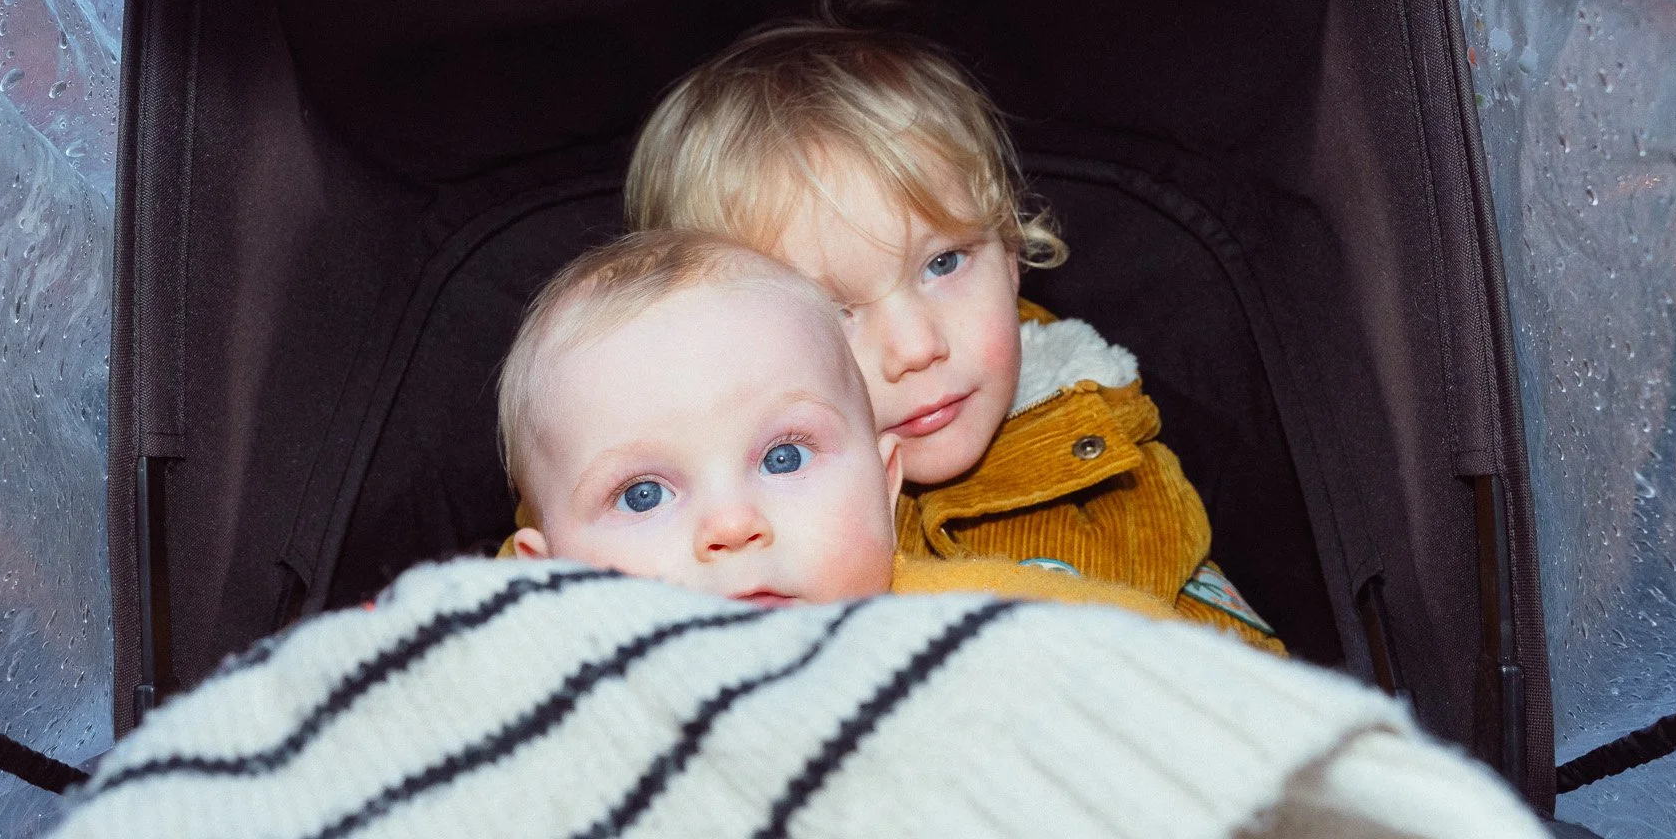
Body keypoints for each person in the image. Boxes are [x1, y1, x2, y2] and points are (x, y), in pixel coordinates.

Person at [623, 0, 1283, 651]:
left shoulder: (1103, 450)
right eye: (833, 311)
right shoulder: (709, 518)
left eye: (943, 262)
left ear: (1011, 253)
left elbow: (1239, 681)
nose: (916, 347)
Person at [500, 229, 1173, 618]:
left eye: (785, 457)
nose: (733, 526)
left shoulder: (981, 618)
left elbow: (1180, 672)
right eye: (642, 493)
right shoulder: (516, 693)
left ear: (884, 484)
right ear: (545, 574)